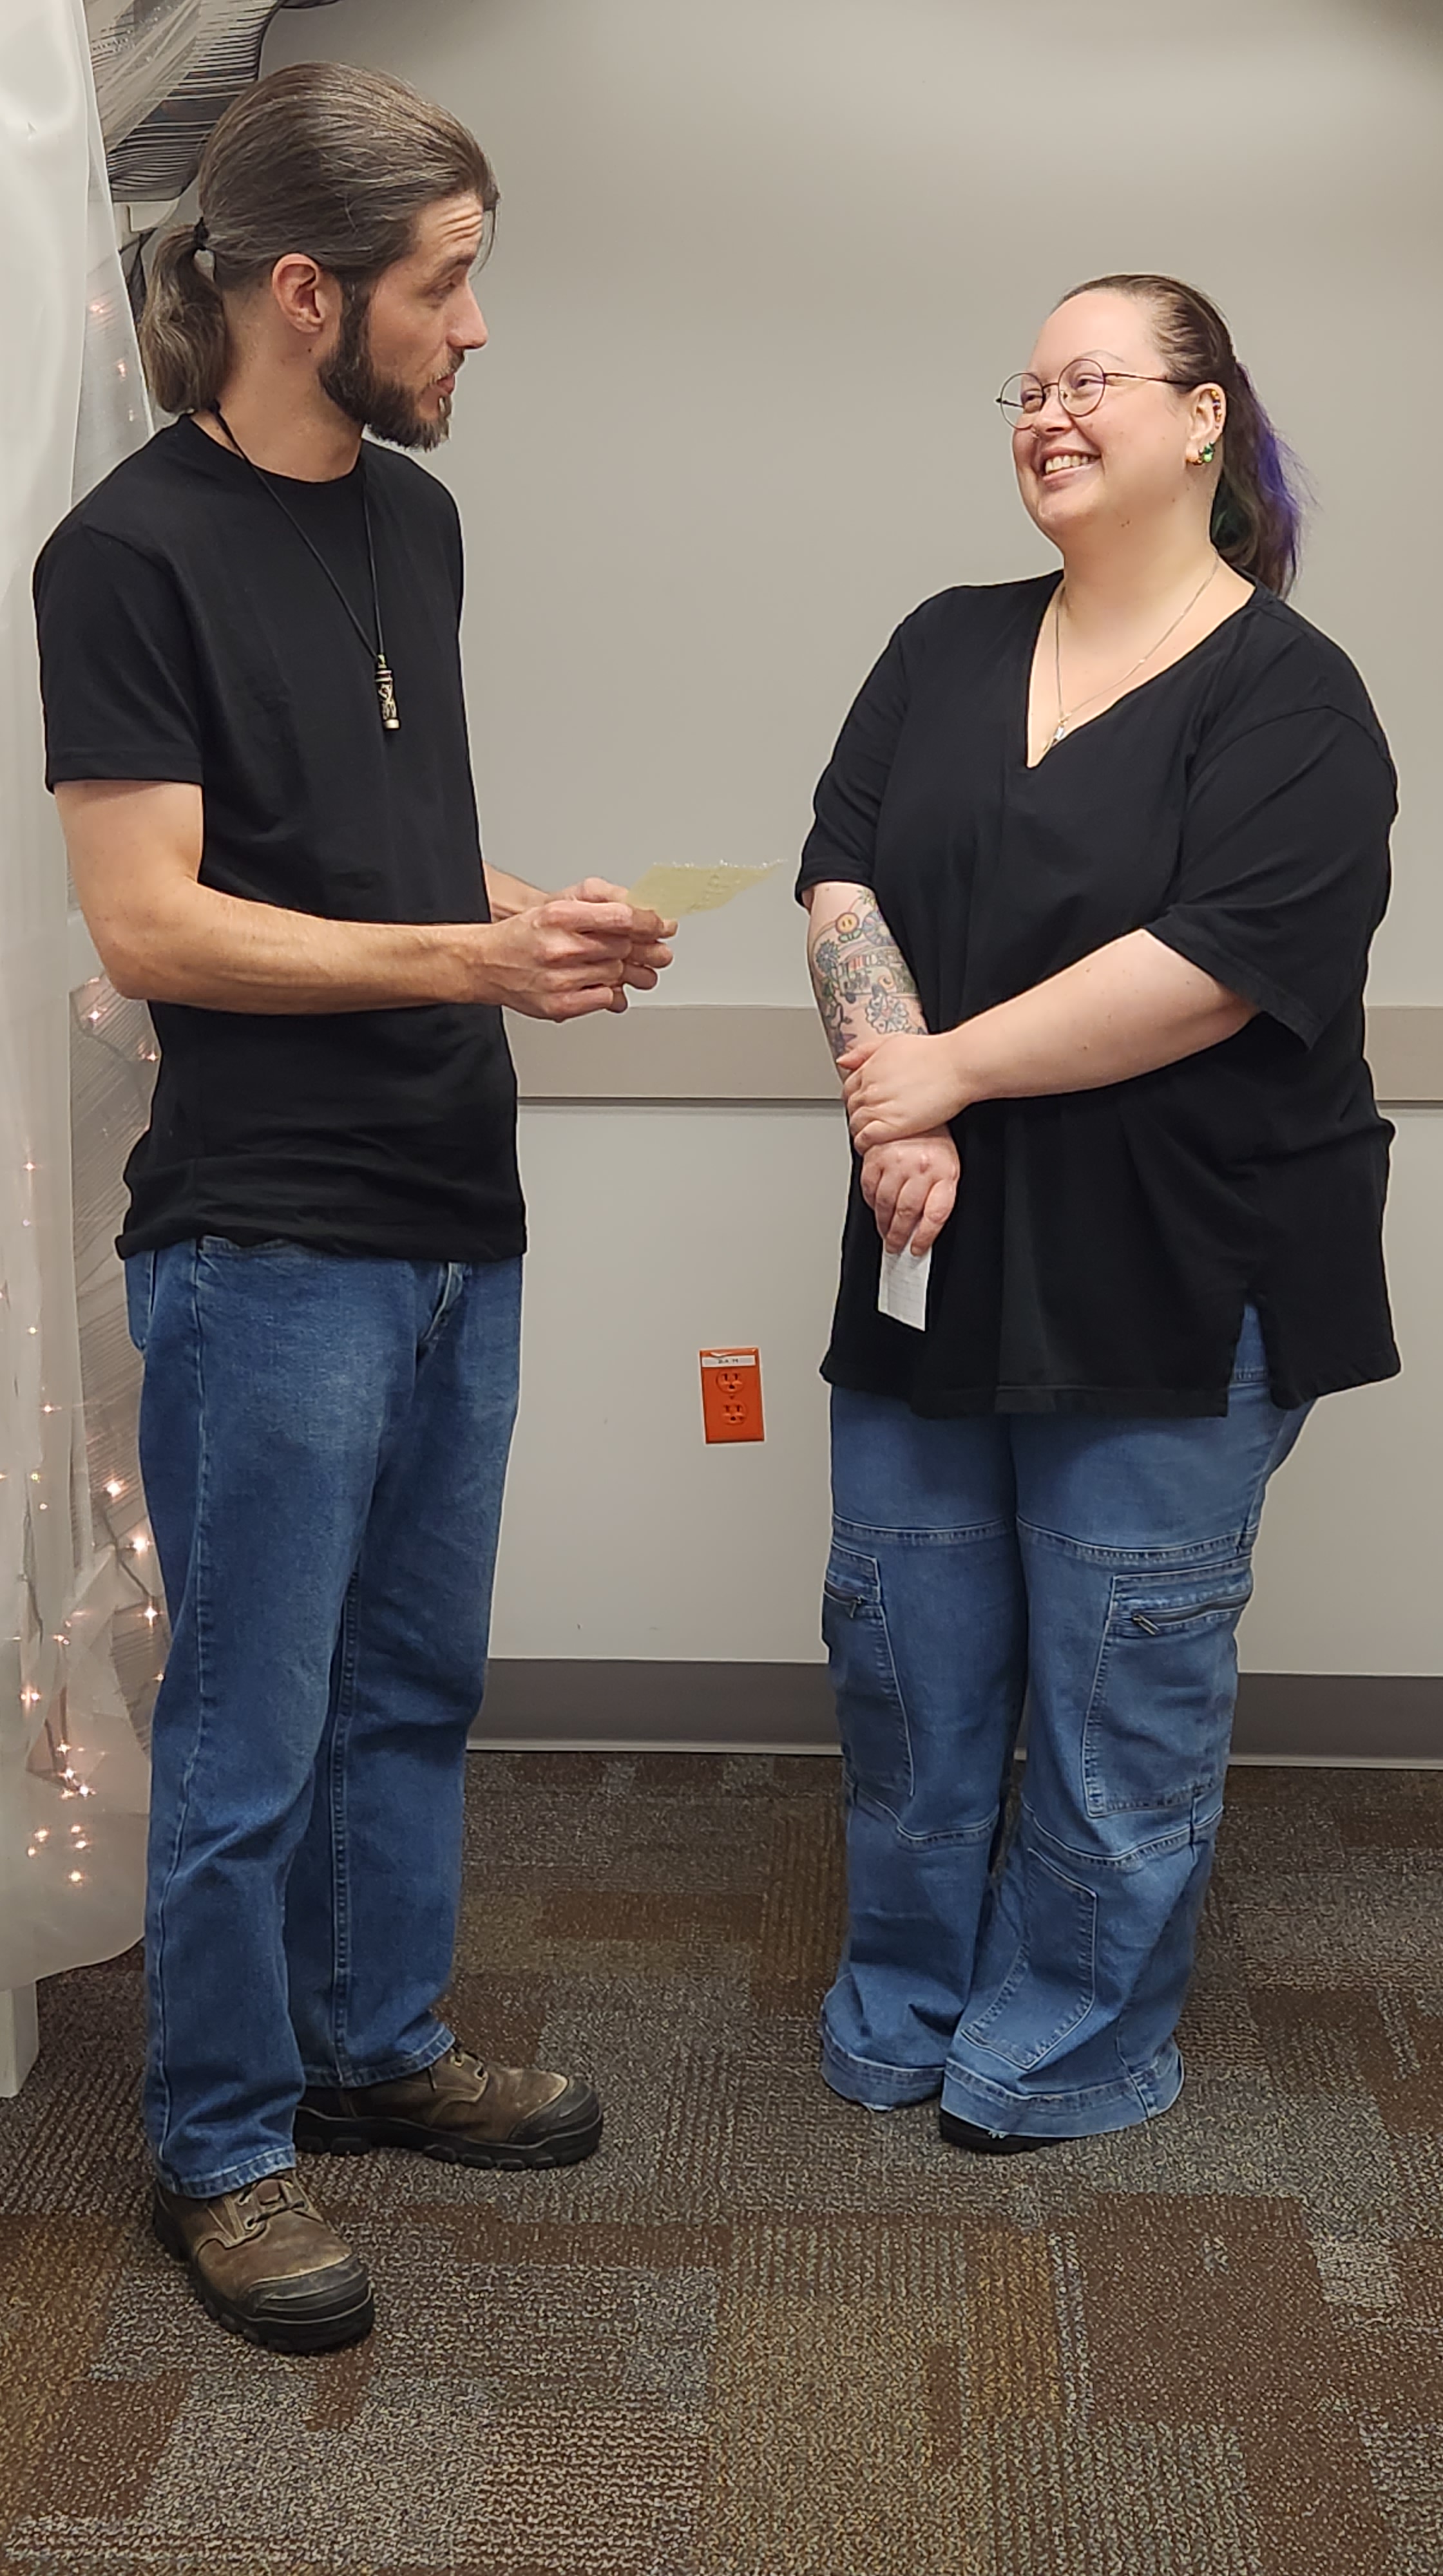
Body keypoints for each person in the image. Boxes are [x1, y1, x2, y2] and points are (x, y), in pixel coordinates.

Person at [34, 61, 674, 2352]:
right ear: (307, 294)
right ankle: (224, 2150)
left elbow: (375, 855)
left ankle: (372, 2050)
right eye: (448, 280)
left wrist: (535, 920)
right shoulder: (119, 555)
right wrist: (465, 956)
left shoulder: (418, 526)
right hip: (269, 1238)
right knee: (247, 1731)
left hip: (452, 1212)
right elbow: (157, 925)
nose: (476, 326)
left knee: (413, 1686)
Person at [798, 274, 1397, 2155]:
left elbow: (1213, 967)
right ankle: (904, 1999)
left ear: (1204, 416)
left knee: (1122, 1697)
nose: (1047, 414)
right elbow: (838, 885)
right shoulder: (946, 642)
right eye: (1028, 387)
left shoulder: (1291, 694)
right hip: (931, 1246)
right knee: (907, 1666)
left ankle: (1065, 2039)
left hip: (1181, 1269)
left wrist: (949, 1075)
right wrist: (894, 1103)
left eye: (1093, 381)